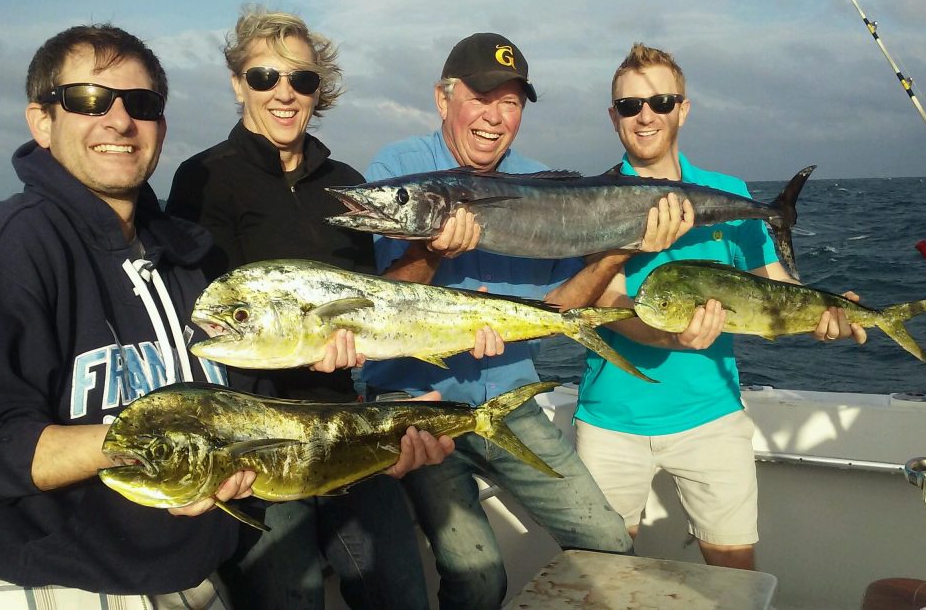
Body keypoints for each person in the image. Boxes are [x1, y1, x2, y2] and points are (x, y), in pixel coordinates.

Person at [0, 22, 444, 610]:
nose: (118, 120)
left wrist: (368, 438)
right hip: (50, 577)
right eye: (87, 99)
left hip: (195, 565)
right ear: (41, 120)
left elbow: (239, 393)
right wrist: (158, 452)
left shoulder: (186, 256)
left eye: (142, 103)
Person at [360, 32, 692, 610]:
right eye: (481, 98)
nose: (494, 117)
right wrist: (433, 251)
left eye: (510, 102)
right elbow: (377, 307)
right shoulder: (400, 171)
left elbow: (562, 309)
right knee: (479, 572)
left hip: (512, 399)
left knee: (609, 541)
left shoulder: (546, 184)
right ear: (444, 99)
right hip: (419, 405)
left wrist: (617, 252)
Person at [165, 7, 457, 609]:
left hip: (343, 421)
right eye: (265, 77)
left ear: (318, 92)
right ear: (237, 82)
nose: (284, 93)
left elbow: (369, 301)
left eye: (301, 80)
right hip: (251, 439)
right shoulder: (202, 180)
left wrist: (432, 260)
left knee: (402, 594)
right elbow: (195, 318)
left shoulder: (345, 185)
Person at [574, 43, 868, 571]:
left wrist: (827, 315)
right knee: (599, 578)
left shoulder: (730, 194)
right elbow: (608, 300)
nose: (646, 116)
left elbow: (773, 291)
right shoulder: (593, 200)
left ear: (683, 109)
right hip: (610, 419)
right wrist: (672, 337)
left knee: (735, 576)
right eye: (629, 106)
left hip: (712, 415)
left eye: (661, 102)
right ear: (612, 116)